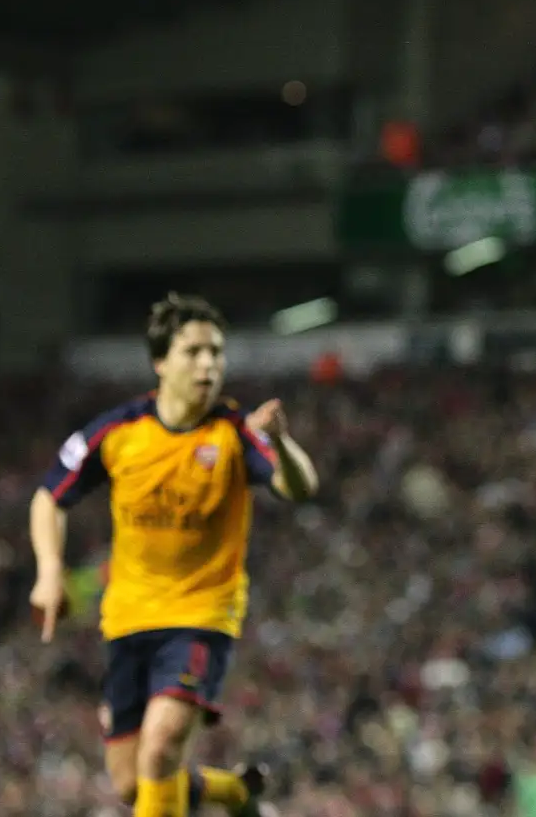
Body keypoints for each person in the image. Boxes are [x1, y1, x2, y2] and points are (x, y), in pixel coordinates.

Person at [29, 293, 320, 817]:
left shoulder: (234, 433)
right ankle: (233, 793)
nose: (209, 364)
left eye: (216, 352)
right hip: (128, 619)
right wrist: (49, 573)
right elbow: (50, 496)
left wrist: (285, 443)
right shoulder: (119, 432)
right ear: (161, 362)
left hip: (201, 615)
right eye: (194, 352)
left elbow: (297, 487)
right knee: (130, 785)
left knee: (161, 745)